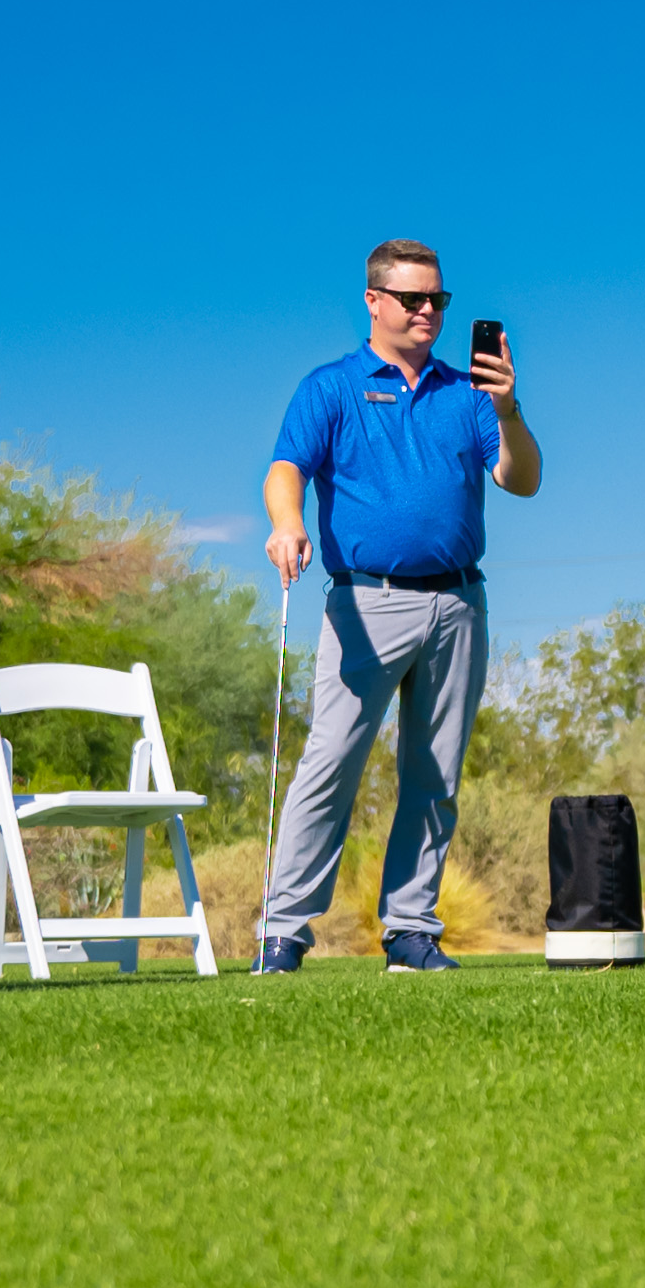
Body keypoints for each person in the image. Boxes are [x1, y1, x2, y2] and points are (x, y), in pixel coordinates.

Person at [254, 238, 536, 972]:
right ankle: (283, 931)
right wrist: (286, 523)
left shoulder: (466, 393)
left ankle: (411, 930)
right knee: (331, 765)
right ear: (374, 301)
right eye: (412, 299)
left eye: (436, 299)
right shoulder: (331, 387)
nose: (427, 312)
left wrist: (508, 409)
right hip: (365, 604)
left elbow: (522, 478)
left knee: (434, 774)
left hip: (457, 604)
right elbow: (286, 468)